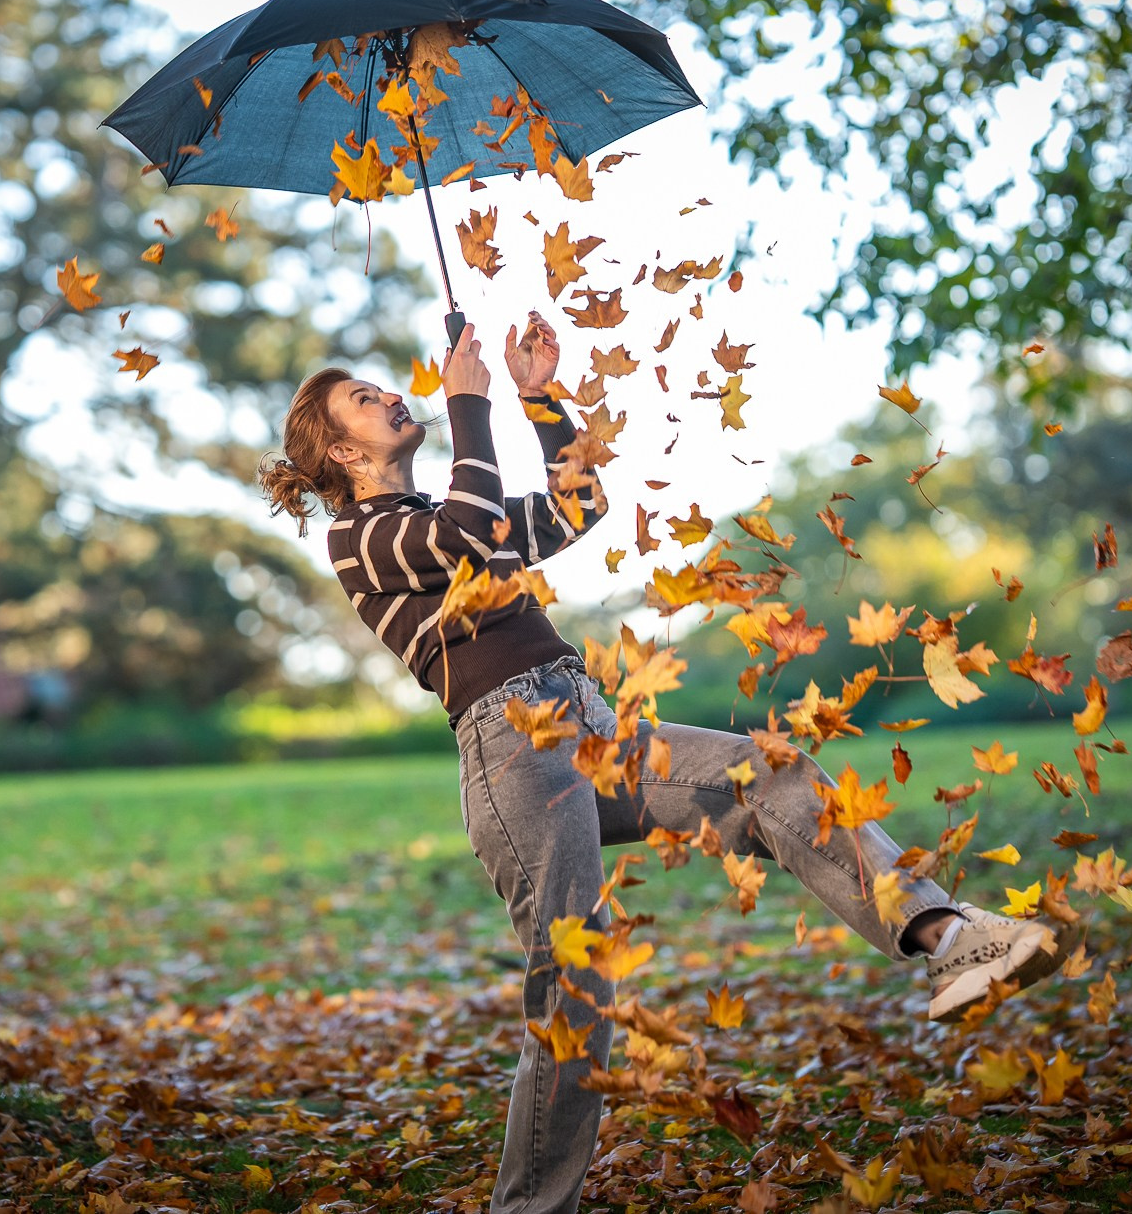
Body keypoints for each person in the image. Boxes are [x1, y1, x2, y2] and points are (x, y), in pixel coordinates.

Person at [257, 313, 1075, 1214]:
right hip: (514, 755)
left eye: (383, 387)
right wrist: (466, 404)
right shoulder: (360, 537)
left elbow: (577, 507)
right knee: (576, 983)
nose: (388, 396)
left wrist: (535, 397)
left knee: (768, 773)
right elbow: (463, 533)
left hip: (589, 724)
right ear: (338, 452)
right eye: (364, 400)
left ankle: (946, 939)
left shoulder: (444, 513)